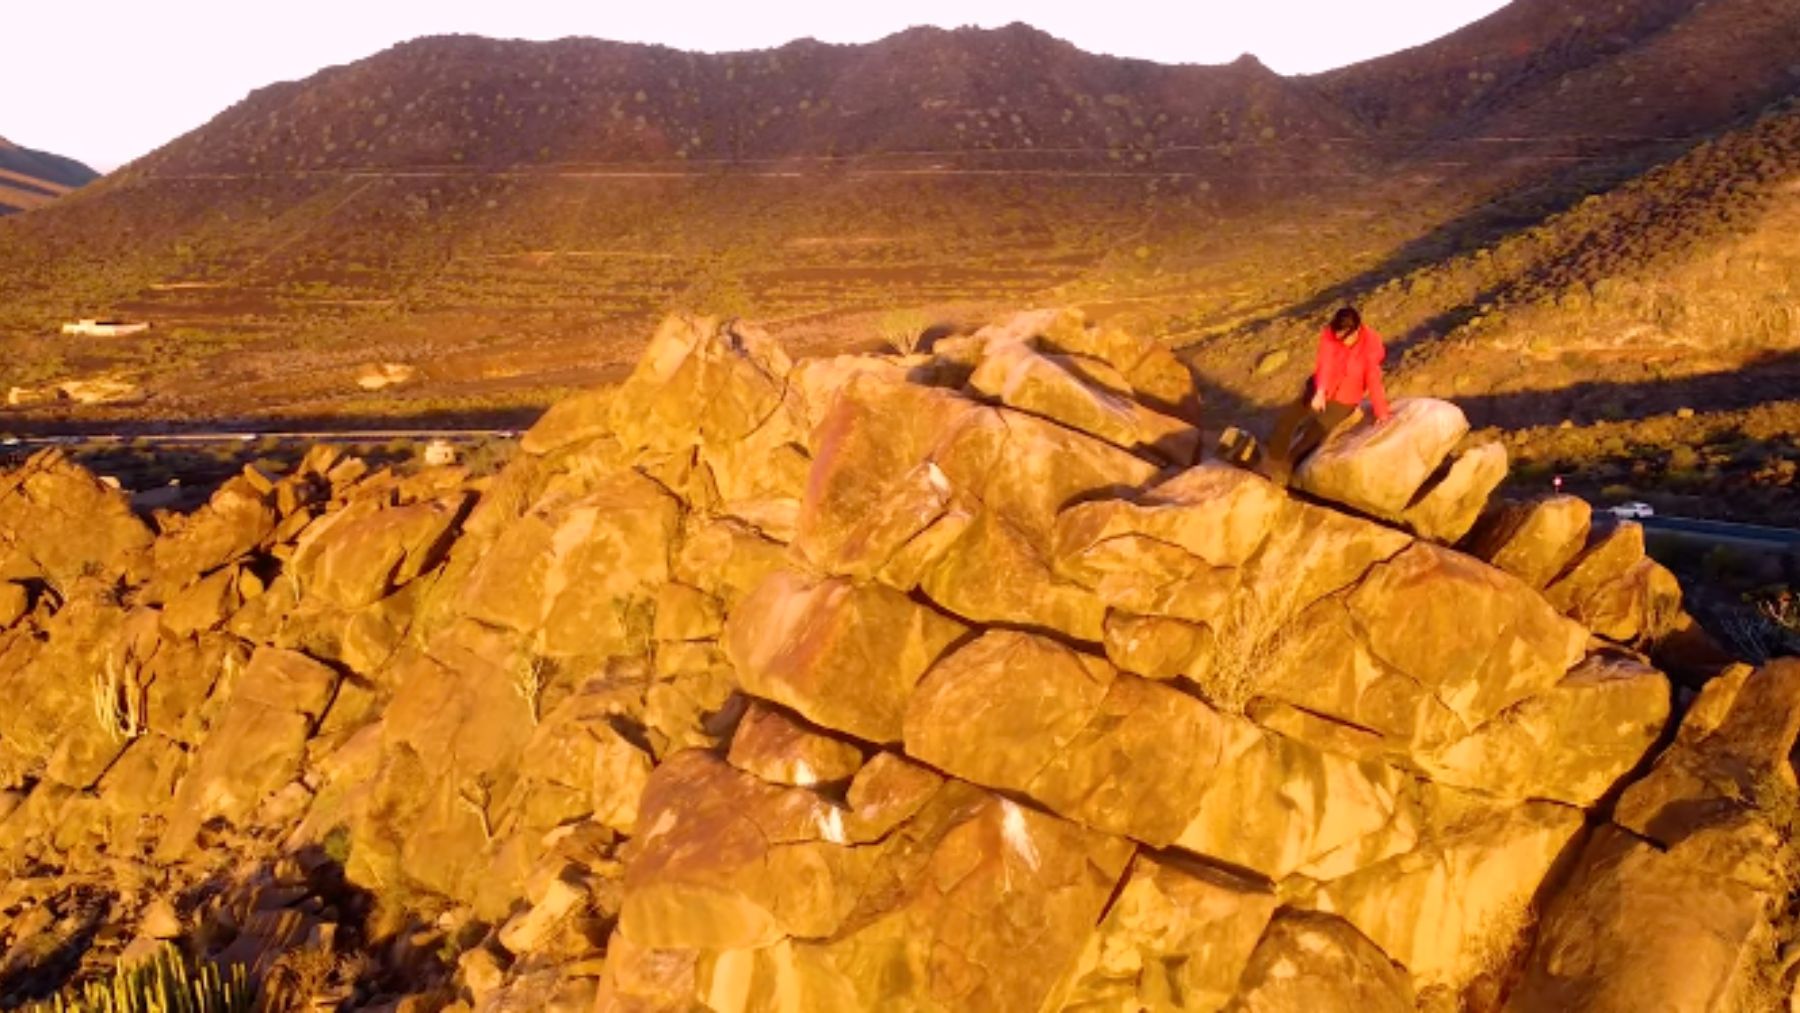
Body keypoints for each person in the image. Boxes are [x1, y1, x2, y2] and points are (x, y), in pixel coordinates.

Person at [1262, 306, 1392, 485]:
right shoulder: (1330, 335)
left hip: (1346, 397)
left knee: (1315, 431)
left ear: (1357, 330)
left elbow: (1373, 379)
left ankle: (1286, 469)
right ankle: (1271, 461)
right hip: (1323, 387)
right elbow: (1325, 364)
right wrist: (1320, 391)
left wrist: (1381, 411)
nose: (1342, 341)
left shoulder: (1370, 346)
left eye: (1346, 337)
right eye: (1339, 336)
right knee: (1289, 417)